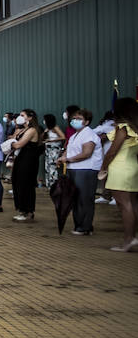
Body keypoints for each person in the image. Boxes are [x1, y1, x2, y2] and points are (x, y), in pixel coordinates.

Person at [100, 98, 138, 252]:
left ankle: (129, 239)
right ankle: (134, 237)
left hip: (120, 167)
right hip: (132, 165)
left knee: (124, 205)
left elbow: (112, 151)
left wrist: (103, 167)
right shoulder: (134, 127)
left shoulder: (122, 128)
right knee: (133, 204)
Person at [57, 109, 100, 235]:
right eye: (74, 118)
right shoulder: (75, 135)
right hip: (74, 168)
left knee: (84, 198)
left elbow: (87, 153)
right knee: (75, 198)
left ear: (86, 122)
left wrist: (68, 159)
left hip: (86, 168)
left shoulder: (89, 134)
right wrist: (62, 157)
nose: (75, 120)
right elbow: (68, 150)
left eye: (79, 118)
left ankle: (85, 226)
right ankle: (79, 224)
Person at [7, 109, 44, 222]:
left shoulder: (32, 130)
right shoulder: (24, 129)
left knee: (26, 185)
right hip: (21, 159)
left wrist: (11, 144)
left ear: (30, 117)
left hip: (28, 160)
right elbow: (12, 138)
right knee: (18, 183)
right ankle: (22, 209)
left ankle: (28, 211)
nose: (20, 117)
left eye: (23, 115)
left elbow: (19, 144)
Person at [43, 114, 66, 188]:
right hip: (48, 149)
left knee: (53, 167)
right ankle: (49, 184)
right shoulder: (48, 128)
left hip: (54, 149)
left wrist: (51, 140)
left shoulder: (55, 127)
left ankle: (54, 185)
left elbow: (63, 137)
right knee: (48, 167)